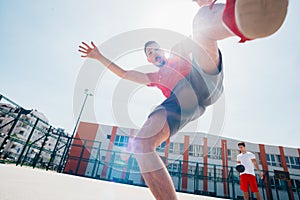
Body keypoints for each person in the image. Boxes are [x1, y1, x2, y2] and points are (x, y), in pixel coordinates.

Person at [78, 1, 288, 199]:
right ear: (149, 60)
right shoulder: (154, 77)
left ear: (162, 50)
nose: (155, 53)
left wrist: (204, 5)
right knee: (142, 144)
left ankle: (239, 19)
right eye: (150, 53)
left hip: (202, 78)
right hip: (182, 102)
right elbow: (124, 74)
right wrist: (98, 56)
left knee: (201, 23)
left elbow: (200, 33)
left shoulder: (179, 50)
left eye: (156, 49)